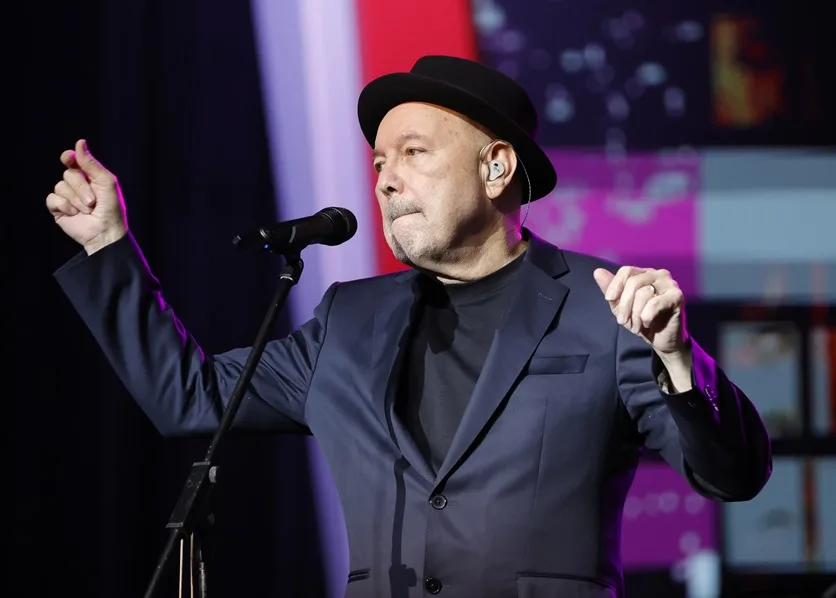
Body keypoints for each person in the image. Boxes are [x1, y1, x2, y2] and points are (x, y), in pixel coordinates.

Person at [47, 56, 771, 598]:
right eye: (379, 163)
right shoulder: (348, 322)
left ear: (496, 167)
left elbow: (732, 476)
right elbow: (188, 396)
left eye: (414, 153)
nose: (386, 180)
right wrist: (109, 247)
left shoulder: (603, 305)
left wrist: (677, 359)